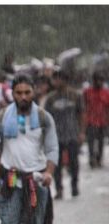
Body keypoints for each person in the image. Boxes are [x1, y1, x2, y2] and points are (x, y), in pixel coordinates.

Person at [0, 75, 59, 224]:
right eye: (18, 93)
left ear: (33, 92)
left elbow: (52, 148)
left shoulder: (43, 117)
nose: (23, 97)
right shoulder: (2, 117)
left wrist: (49, 172)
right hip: (11, 179)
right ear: (12, 94)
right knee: (7, 223)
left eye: (27, 93)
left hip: (36, 180)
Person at [45, 69, 85, 199]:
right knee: (56, 164)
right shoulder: (50, 98)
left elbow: (82, 114)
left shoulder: (75, 95)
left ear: (65, 80)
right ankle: (59, 188)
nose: (56, 82)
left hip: (72, 133)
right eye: (54, 79)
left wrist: (82, 132)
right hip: (56, 136)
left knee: (74, 162)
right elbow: (46, 117)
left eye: (58, 79)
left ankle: (74, 186)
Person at [83, 71, 109, 168]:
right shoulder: (87, 92)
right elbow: (83, 105)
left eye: (101, 80)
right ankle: (91, 158)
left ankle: (99, 159)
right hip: (91, 121)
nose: (99, 82)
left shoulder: (106, 93)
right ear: (93, 81)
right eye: (97, 80)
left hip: (103, 121)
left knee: (101, 142)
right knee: (91, 142)